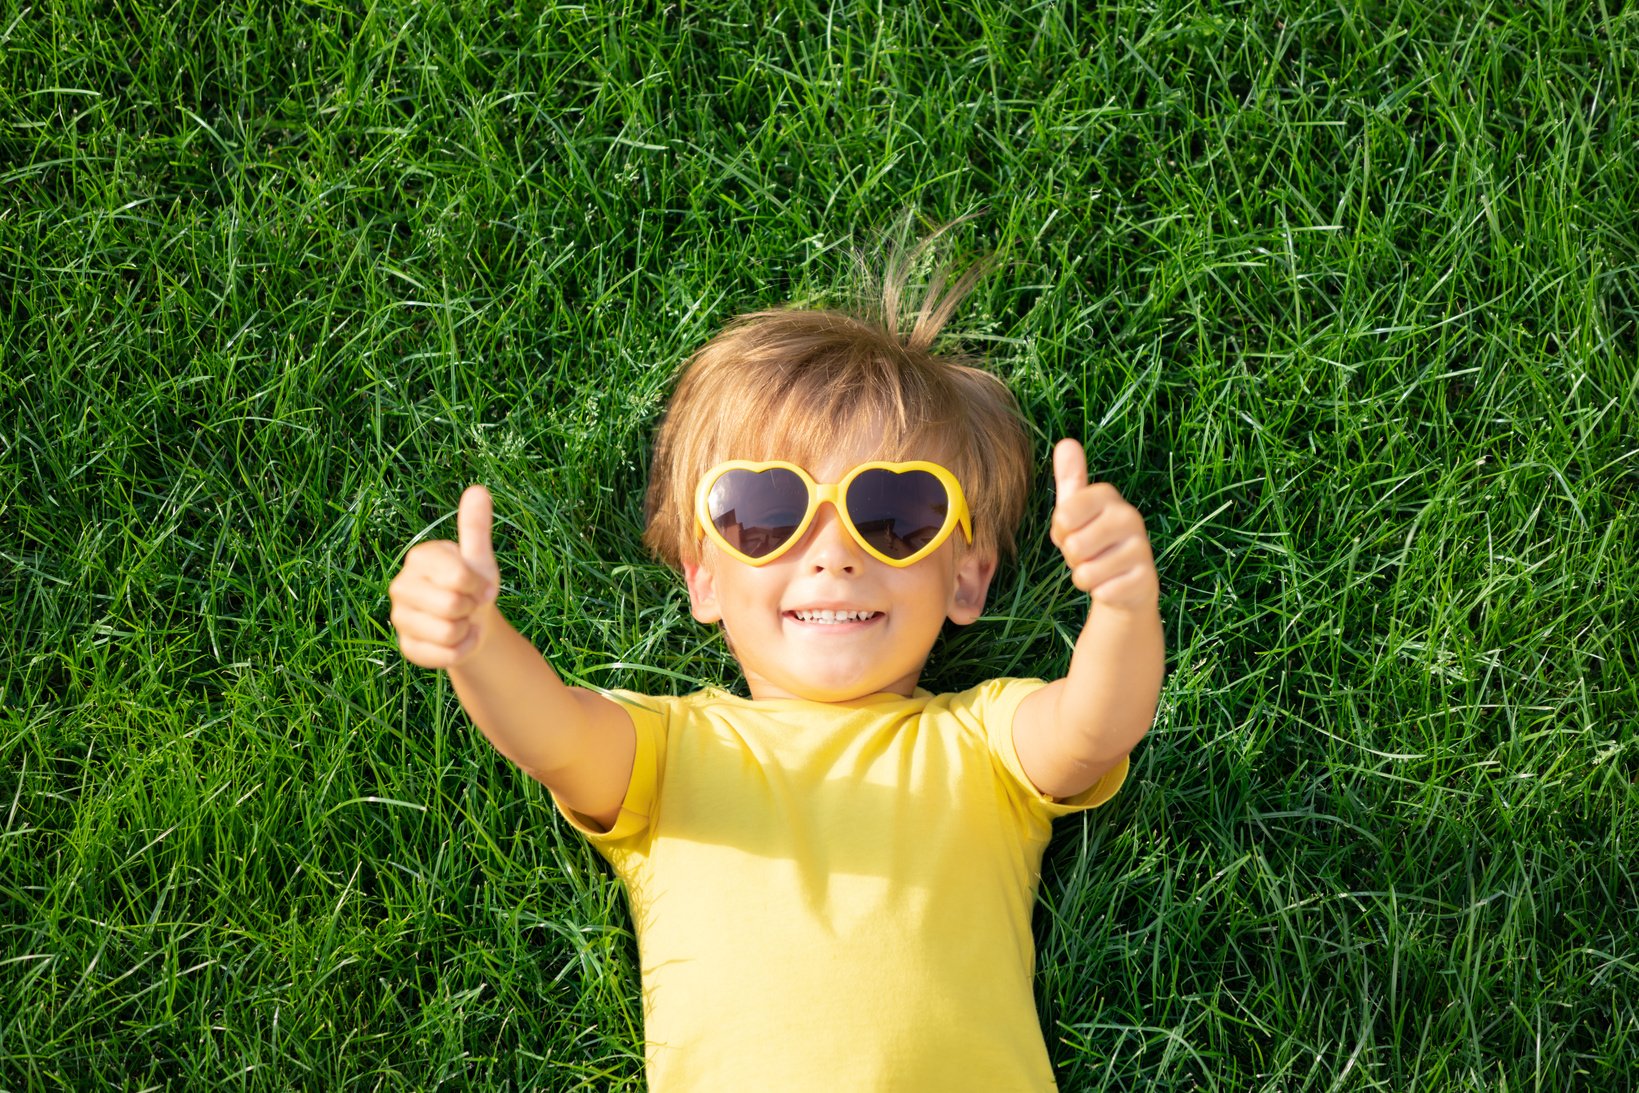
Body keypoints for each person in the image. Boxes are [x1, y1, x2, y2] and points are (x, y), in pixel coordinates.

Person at [387, 239, 1165, 1090]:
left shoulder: (981, 742)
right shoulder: (671, 751)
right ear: (704, 575)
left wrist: (1124, 605)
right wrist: (477, 641)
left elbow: (1096, 724)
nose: (830, 554)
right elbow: (550, 733)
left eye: (894, 513)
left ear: (967, 575)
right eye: (764, 511)